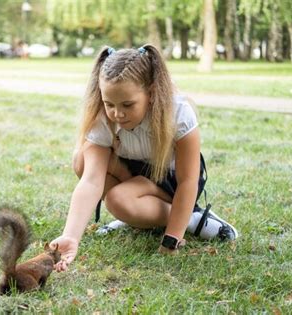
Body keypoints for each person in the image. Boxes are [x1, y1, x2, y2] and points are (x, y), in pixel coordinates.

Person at [50, 44, 238, 272]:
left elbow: (188, 180)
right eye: (110, 104)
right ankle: (138, 218)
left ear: (151, 93)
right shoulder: (102, 116)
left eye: (127, 105)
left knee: (119, 200)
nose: (117, 114)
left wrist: (172, 238)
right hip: (136, 172)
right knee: (81, 159)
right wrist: (71, 236)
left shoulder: (177, 112)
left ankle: (191, 219)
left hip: (172, 182)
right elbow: (90, 180)